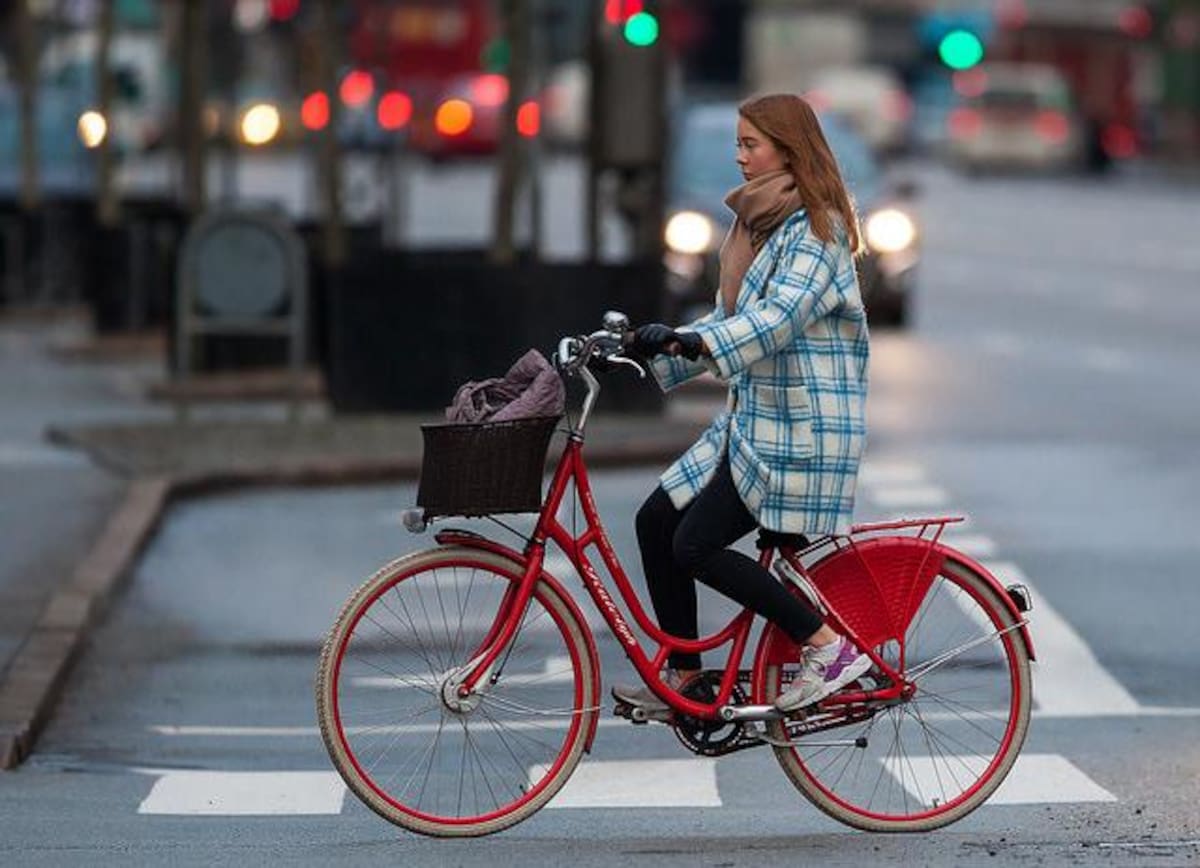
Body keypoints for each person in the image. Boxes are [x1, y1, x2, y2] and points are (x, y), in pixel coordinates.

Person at [614, 94, 871, 714]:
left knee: (695, 545)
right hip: (758, 424)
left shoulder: (818, 229)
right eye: (737, 144)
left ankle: (826, 647)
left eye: (750, 144)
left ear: (789, 150)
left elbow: (778, 320)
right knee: (656, 521)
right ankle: (687, 679)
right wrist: (655, 346)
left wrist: (695, 340)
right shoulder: (761, 224)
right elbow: (736, 318)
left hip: (801, 431)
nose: (739, 156)